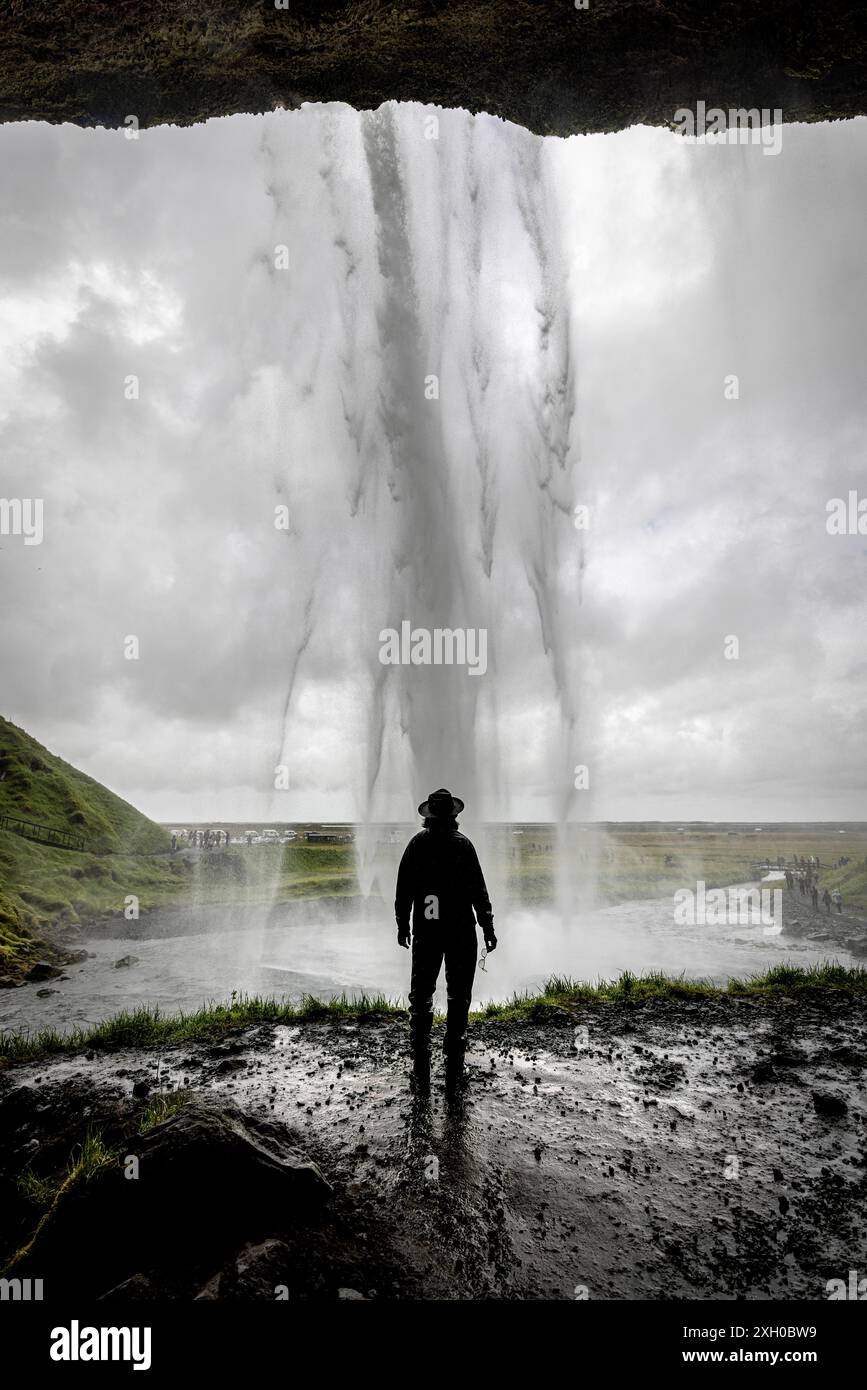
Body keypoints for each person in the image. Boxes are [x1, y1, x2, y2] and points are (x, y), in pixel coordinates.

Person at [395, 787, 495, 1095]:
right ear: (453, 816)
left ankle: (420, 1063)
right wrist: (487, 927)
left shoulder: (417, 845)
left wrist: (402, 924)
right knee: (458, 996)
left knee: (421, 995)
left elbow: (404, 890)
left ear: (429, 817)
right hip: (460, 931)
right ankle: (454, 1062)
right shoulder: (463, 846)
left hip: (426, 931)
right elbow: (479, 892)